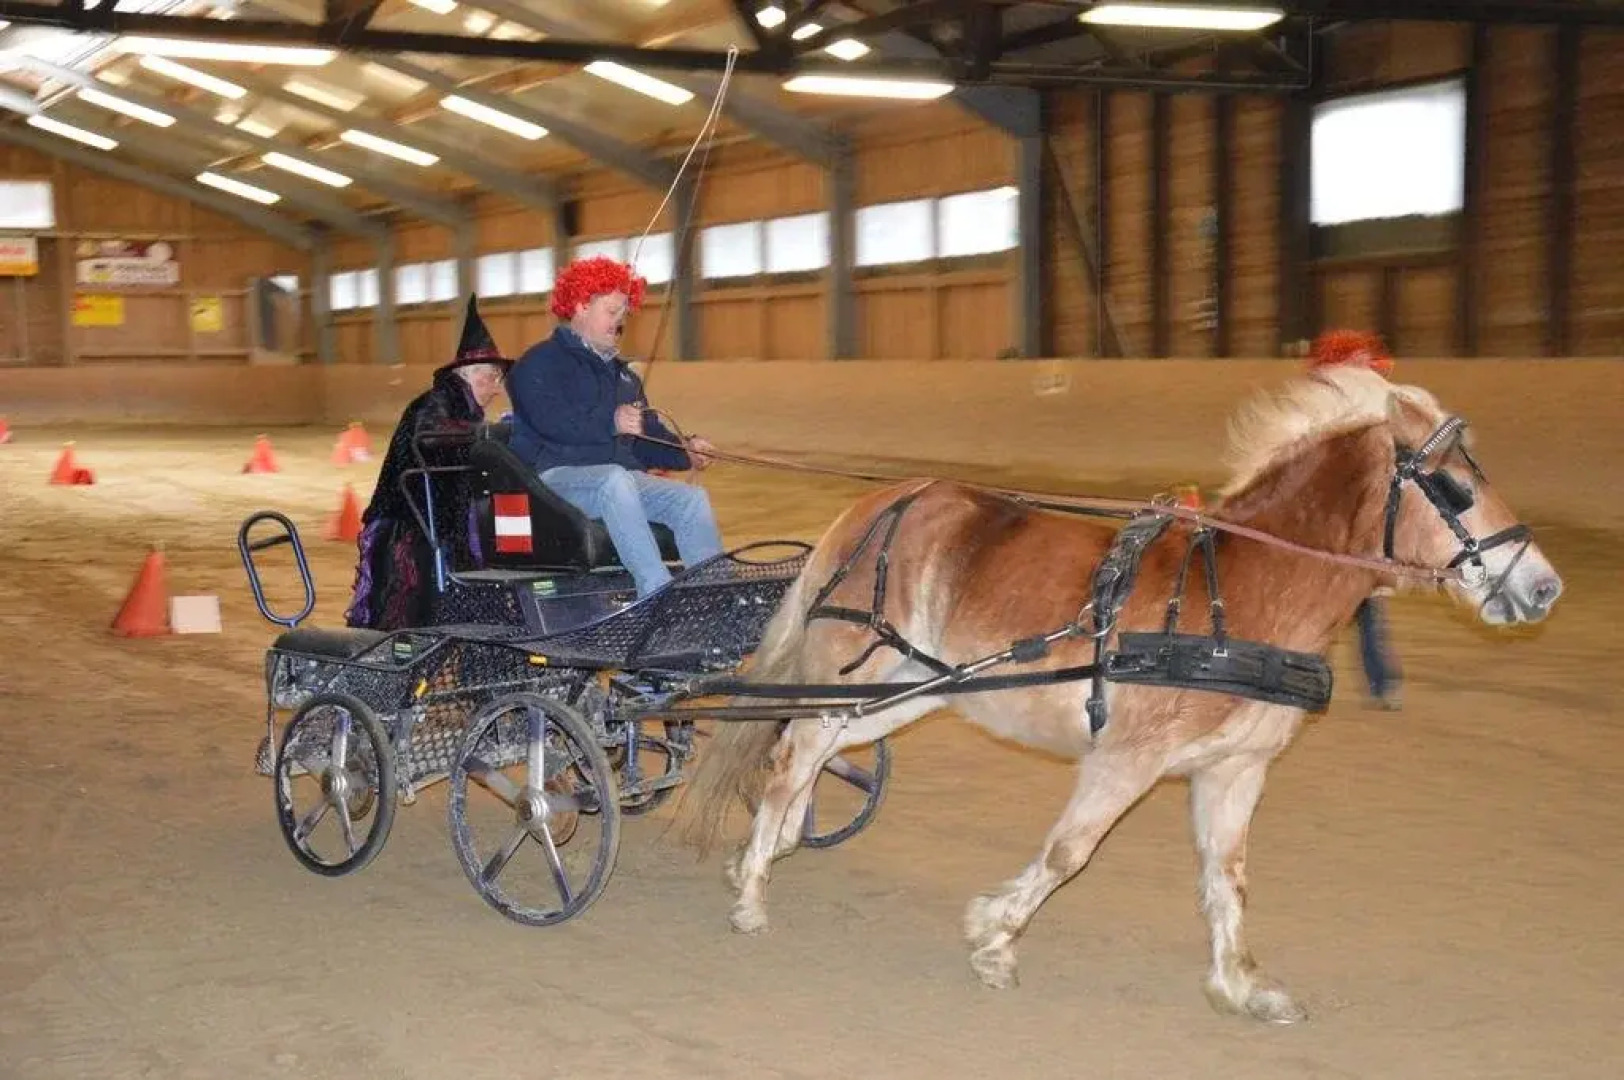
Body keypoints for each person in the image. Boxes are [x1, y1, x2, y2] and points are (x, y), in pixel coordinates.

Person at [505, 255, 723, 598]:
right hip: (554, 480)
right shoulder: (537, 364)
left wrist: (686, 451)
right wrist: (611, 422)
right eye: (611, 311)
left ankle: (713, 594)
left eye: (623, 313)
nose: (620, 321)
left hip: (619, 480)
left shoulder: (623, 377)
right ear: (581, 305)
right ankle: (656, 593)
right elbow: (553, 422)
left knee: (690, 500)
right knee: (614, 479)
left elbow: (646, 438)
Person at [344, 295, 512, 630]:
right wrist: (487, 433)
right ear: (470, 374)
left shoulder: (464, 407)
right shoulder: (437, 400)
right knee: (406, 613)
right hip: (410, 528)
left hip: (441, 525)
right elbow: (431, 434)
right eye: (492, 377)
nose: (497, 389)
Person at [1308, 327, 1402, 711]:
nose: (1369, 366)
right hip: (1334, 521)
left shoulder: (1362, 399)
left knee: (1360, 605)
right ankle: (1375, 683)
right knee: (1339, 605)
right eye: (1360, 359)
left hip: (1351, 521)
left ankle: (1378, 683)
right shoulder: (1330, 402)